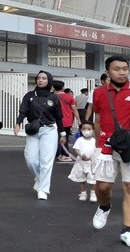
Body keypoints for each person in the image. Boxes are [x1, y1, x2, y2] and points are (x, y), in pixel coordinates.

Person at [89, 55, 130, 247]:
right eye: (117, 69)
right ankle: (105, 206)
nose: (122, 72)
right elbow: (97, 119)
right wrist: (98, 143)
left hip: (129, 145)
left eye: (125, 68)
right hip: (105, 144)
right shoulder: (98, 93)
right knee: (103, 187)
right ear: (108, 72)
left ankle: (127, 229)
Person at [14, 71, 65, 200]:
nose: (40, 80)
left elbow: (59, 117)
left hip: (49, 130)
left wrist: (62, 133)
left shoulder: (54, 98)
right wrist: (18, 122)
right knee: (31, 160)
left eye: (44, 78)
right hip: (33, 130)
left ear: (49, 81)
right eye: (38, 78)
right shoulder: (29, 96)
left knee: (46, 161)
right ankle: (39, 178)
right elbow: (23, 111)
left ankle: (43, 189)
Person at [68, 122, 97, 202]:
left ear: (93, 130)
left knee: (92, 179)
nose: (86, 131)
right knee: (81, 179)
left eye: (89, 129)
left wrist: (91, 157)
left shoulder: (94, 141)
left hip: (91, 163)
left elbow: (96, 151)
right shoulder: (79, 140)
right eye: (84, 129)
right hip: (81, 163)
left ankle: (93, 193)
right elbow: (76, 149)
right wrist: (80, 154)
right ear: (80, 130)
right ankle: (83, 193)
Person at [53, 80, 78, 162]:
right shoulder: (70, 97)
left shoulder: (52, 97)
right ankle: (65, 154)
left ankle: (59, 154)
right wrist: (79, 120)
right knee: (65, 137)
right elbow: (74, 110)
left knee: (56, 137)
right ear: (62, 87)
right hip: (68, 120)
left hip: (55, 120)